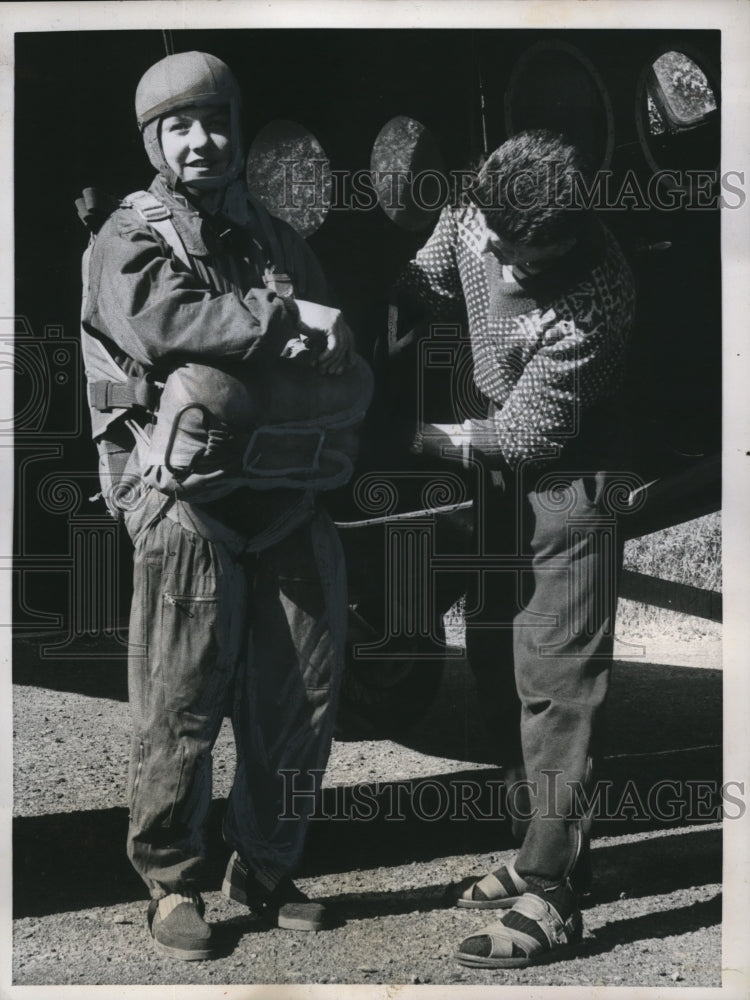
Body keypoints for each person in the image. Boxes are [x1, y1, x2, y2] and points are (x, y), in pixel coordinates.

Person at [77, 50, 368, 961]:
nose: (201, 139)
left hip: (283, 498)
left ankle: (267, 869)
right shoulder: (127, 238)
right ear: (154, 140)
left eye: (216, 121)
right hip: (186, 506)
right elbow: (168, 327)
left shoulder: (275, 236)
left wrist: (318, 339)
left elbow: (331, 343)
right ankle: (171, 884)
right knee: (181, 705)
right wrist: (282, 326)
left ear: (237, 128)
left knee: (299, 700)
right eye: (179, 125)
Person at [396, 129, 636, 968]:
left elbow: (528, 432)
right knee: (497, 646)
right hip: (496, 461)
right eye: (486, 234)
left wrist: (426, 437)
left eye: (517, 251)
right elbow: (426, 279)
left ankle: (553, 895)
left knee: (558, 680)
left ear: (562, 239)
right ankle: (544, 846)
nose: (492, 254)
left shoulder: (596, 298)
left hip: (570, 477)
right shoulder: (476, 209)